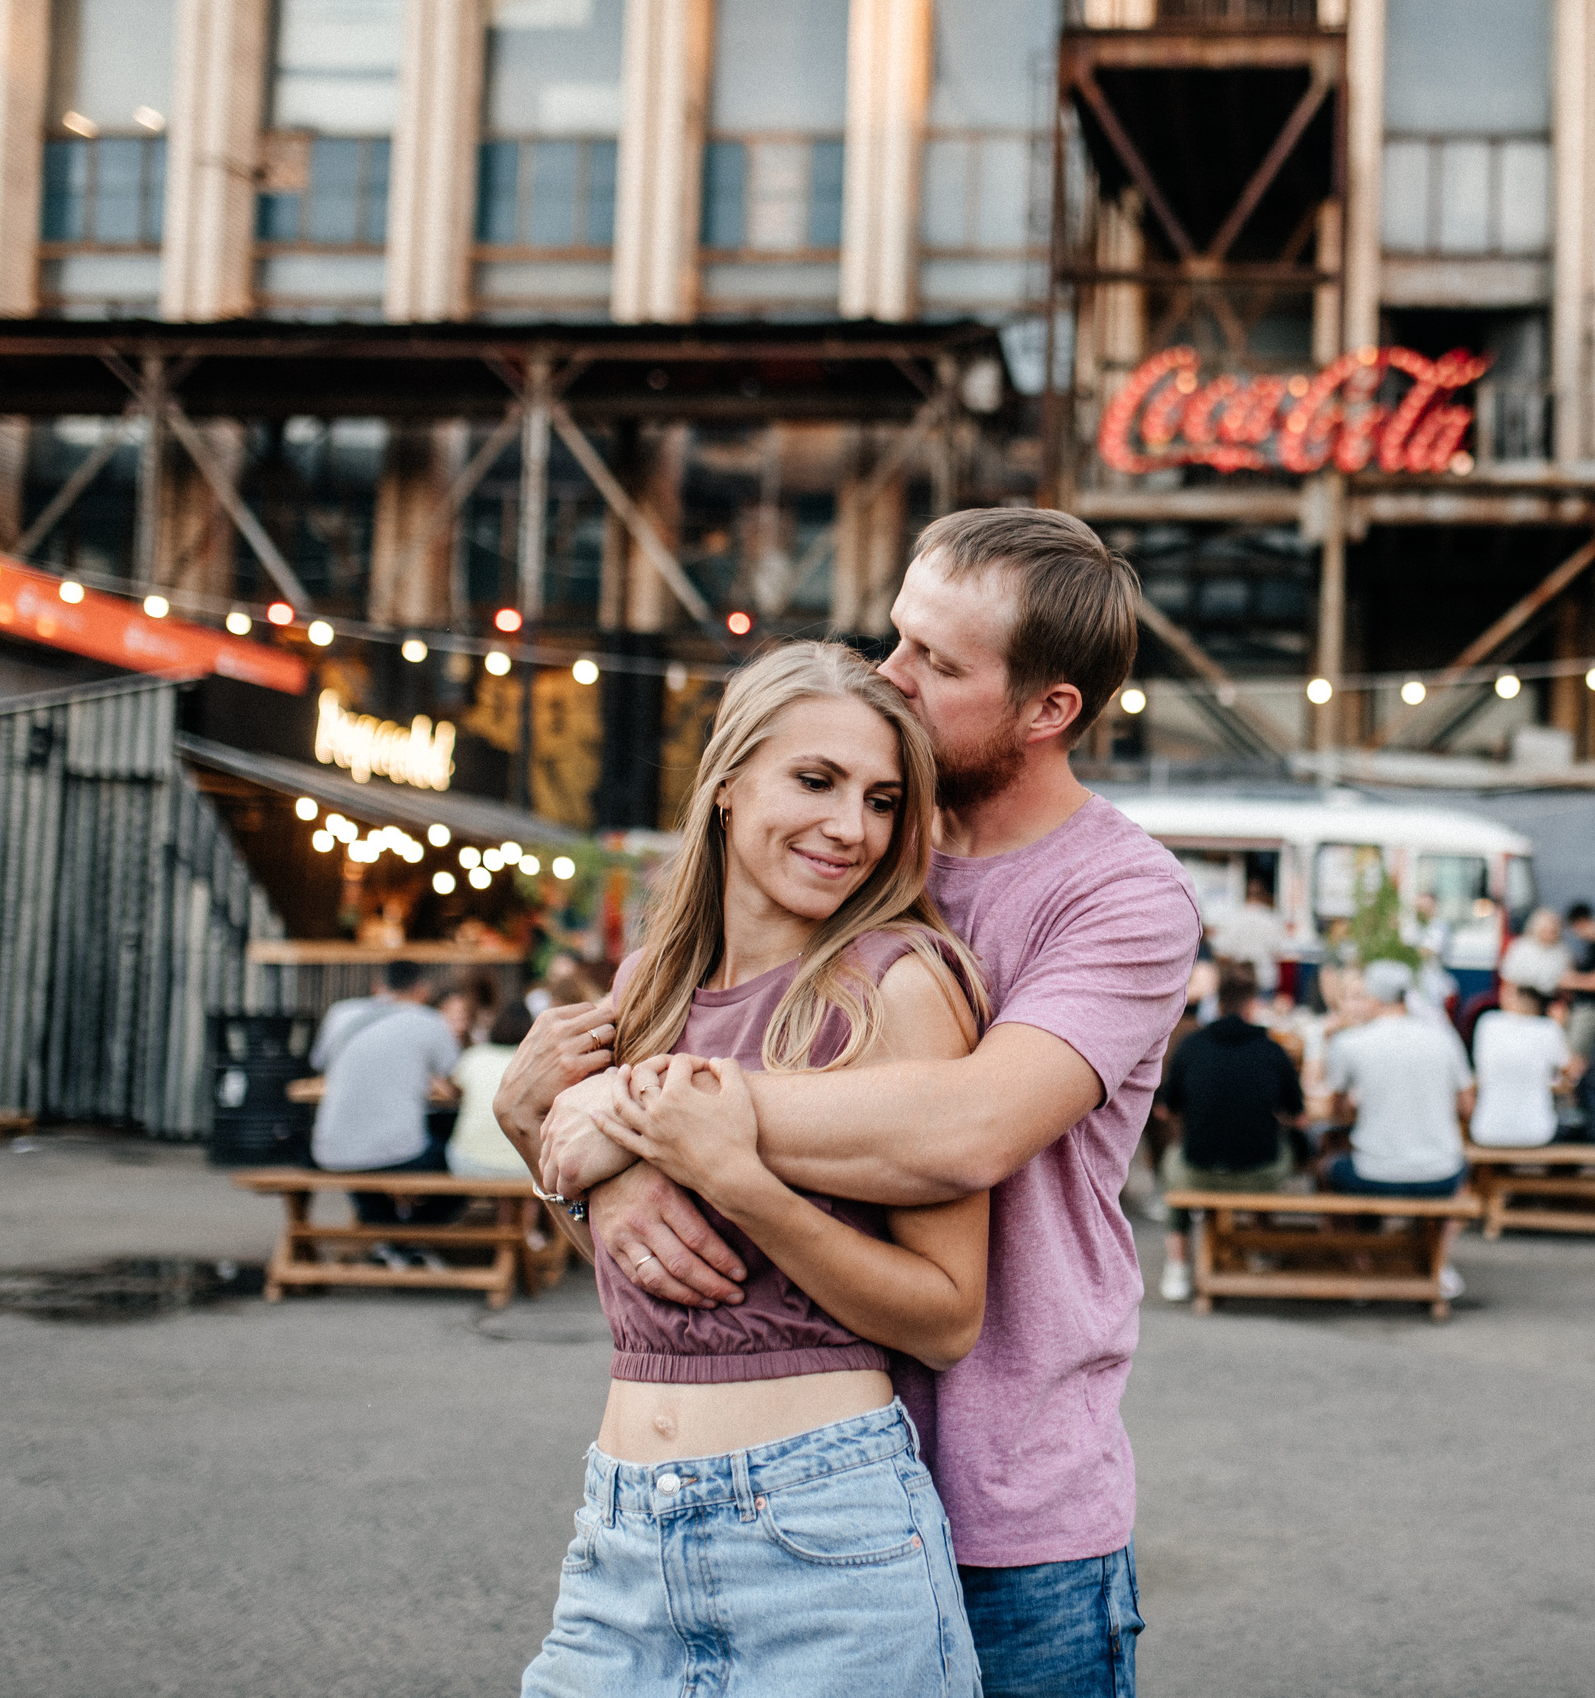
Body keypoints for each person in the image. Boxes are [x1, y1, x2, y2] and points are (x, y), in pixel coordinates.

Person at [512, 508, 1199, 1695]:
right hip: (729, 1479)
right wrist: (592, 1174)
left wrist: (633, 1108)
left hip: (1006, 1508)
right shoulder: (850, 853)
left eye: (937, 659)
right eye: (897, 635)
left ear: (1048, 709)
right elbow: (672, 1228)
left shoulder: (1120, 894)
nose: (892, 673)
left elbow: (968, 1128)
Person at [516, 639, 989, 1697]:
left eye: (880, 800)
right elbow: (650, 1276)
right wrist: (565, 1161)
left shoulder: (896, 986)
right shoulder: (645, 988)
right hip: (622, 1526)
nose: (850, 826)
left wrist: (741, 1181)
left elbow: (947, 1315)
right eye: (815, 780)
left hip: (825, 1532)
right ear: (726, 782)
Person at [1321, 959, 1475, 1298]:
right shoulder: (1443, 1037)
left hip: (1372, 1171)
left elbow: (1336, 1111)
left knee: (1327, 1171)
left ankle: (1360, 1264)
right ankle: (1439, 1261)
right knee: (1464, 1174)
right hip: (1440, 1173)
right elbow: (1467, 1105)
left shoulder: (1351, 1042)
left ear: (1374, 998)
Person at [1155, 964, 1304, 1304]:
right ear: (1252, 1005)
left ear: (1218, 1004)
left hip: (1198, 1170)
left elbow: (1164, 1108)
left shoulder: (1191, 1046)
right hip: (1260, 1174)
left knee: (1173, 1163)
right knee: (1274, 1149)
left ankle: (1177, 1266)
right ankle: (1257, 1249)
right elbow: (1299, 1116)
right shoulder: (1272, 1049)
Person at [310, 959, 464, 1250]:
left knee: (361, 1161)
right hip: (401, 1153)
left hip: (331, 1147)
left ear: (378, 986)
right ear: (422, 989)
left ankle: (388, 1236)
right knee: (461, 1161)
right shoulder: (430, 1022)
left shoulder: (340, 1013)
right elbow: (456, 1077)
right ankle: (409, 1237)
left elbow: (320, 1062)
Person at [1467, 982, 1581, 1149]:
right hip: (1537, 1133)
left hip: (1486, 1132)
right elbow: (1572, 1073)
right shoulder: (1549, 1029)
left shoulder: (1487, 1023)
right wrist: (1559, 1026)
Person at [445, 1002, 535, 1179]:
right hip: (524, 1165)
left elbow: (452, 1091)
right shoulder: (535, 1059)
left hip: (468, 1162)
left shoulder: (475, 1056)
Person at [1554, 903, 1595, 1065]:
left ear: (1581, 922)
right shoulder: (1592, 946)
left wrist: (1570, 980)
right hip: (1587, 1008)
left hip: (1592, 1009)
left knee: (1575, 1056)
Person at [1209, 876, 1284, 997]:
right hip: (1265, 978)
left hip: (1240, 979)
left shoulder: (1233, 917)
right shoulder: (1271, 919)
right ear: (1263, 895)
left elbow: (1224, 950)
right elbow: (1278, 951)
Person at [1498, 907, 1569, 997]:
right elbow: (1507, 980)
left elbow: (1565, 985)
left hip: (1551, 998)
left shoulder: (1563, 952)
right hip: (1521, 995)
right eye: (1545, 930)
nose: (1549, 933)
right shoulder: (1521, 947)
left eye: (1552, 931)